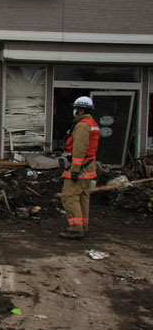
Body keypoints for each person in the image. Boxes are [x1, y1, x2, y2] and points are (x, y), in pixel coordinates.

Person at [59, 96, 99, 239]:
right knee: (83, 197)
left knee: (69, 196)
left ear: (81, 110)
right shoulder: (92, 123)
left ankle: (76, 228)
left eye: (76, 109)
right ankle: (82, 225)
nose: (74, 111)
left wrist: (75, 169)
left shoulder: (82, 126)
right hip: (88, 166)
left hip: (80, 167)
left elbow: (79, 149)